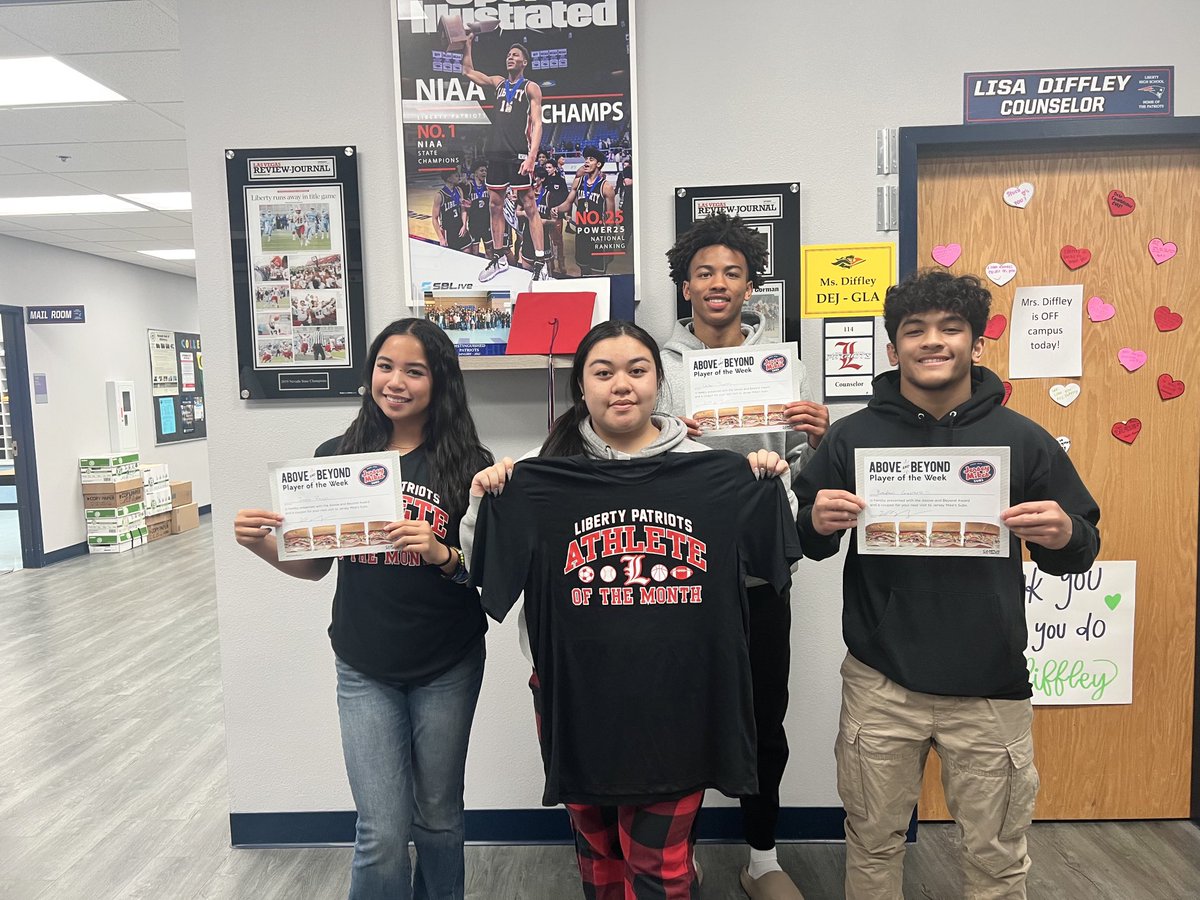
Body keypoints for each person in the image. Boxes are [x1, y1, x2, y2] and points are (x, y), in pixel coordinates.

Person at [464, 321, 801, 900]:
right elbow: (488, 571)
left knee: (662, 862)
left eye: (637, 370)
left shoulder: (713, 470)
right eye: (603, 372)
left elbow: (779, 559)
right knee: (598, 852)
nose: (622, 385)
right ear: (582, 387)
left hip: (679, 694)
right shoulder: (541, 474)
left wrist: (774, 486)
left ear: (658, 382)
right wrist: (485, 500)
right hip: (575, 693)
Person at [792, 270, 1101, 900]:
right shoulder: (855, 436)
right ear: (892, 349)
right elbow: (805, 537)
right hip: (882, 683)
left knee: (997, 859)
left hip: (990, 688)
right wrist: (816, 522)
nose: (933, 342)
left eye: (950, 328)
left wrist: (1064, 532)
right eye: (915, 330)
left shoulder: (1022, 438)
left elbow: (1082, 547)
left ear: (977, 345)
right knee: (873, 843)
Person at [233, 319, 494, 900]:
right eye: (384, 366)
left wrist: (441, 553)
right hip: (364, 664)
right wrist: (263, 545)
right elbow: (314, 566)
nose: (395, 381)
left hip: (447, 663)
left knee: (440, 819)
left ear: (440, 382)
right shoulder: (336, 457)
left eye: (414, 370)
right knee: (380, 828)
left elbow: (486, 577)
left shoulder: (470, 463)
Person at [659, 211, 828, 900]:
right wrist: (675, 435)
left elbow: (802, 474)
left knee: (765, 719)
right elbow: (633, 455)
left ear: (751, 283)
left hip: (761, 574)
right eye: (704, 273)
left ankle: (761, 857)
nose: (718, 283)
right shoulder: (658, 363)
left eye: (731, 272)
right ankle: (676, 852)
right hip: (680, 573)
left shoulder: (783, 362)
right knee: (677, 718)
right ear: (686, 285)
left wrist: (816, 437)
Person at [461, 37, 550, 282]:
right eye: (508, 55)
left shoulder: (530, 87)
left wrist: (532, 156)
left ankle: (541, 263)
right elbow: (467, 70)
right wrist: (468, 44)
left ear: (524, 62)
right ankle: (499, 257)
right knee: (494, 205)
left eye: (515, 55)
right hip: (496, 154)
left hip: (519, 154)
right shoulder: (498, 83)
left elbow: (538, 123)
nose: (510, 57)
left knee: (530, 205)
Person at [551, 146, 617, 277]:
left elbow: (611, 217)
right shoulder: (578, 182)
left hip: (598, 235)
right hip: (581, 234)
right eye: (586, 159)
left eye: (591, 159)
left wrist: (610, 240)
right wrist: (557, 208)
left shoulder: (606, 187)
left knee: (598, 274)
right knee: (583, 271)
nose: (586, 162)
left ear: (598, 164)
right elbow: (568, 203)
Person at [432, 169, 471, 252]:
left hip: (461, 229)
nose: (458, 176)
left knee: (468, 255)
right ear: (449, 178)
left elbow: (463, 210)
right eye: (456, 175)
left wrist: (464, 225)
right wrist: (441, 238)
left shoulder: (459, 190)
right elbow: (434, 219)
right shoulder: (440, 195)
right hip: (449, 232)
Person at [464, 161, 493, 257]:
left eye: (485, 171)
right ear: (475, 172)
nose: (484, 173)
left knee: (489, 251)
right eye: (481, 170)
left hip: (486, 223)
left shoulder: (488, 187)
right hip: (474, 224)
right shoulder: (468, 187)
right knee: (475, 252)